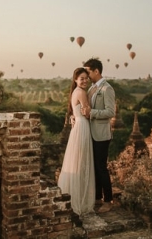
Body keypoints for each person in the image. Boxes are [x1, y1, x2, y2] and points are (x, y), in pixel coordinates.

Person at [57, 67, 96, 216]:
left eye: (86, 78)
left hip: (78, 127)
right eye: (82, 78)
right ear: (75, 80)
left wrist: (75, 116)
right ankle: (80, 200)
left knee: (77, 161)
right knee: (82, 163)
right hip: (83, 127)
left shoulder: (75, 92)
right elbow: (87, 112)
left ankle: (75, 197)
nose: (85, 81)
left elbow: (78, 111)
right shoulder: (81, 92)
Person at [84, 58, 115, 213]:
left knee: (101, 168)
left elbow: (111, 112)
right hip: (91, 133)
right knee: (94, 167)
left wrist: (92, 113)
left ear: (96, 71)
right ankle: (97, 197)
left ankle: (108, 200)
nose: (87, 75)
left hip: (102, 134)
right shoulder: (91, 89)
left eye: (88, 71)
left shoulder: (106, 88)